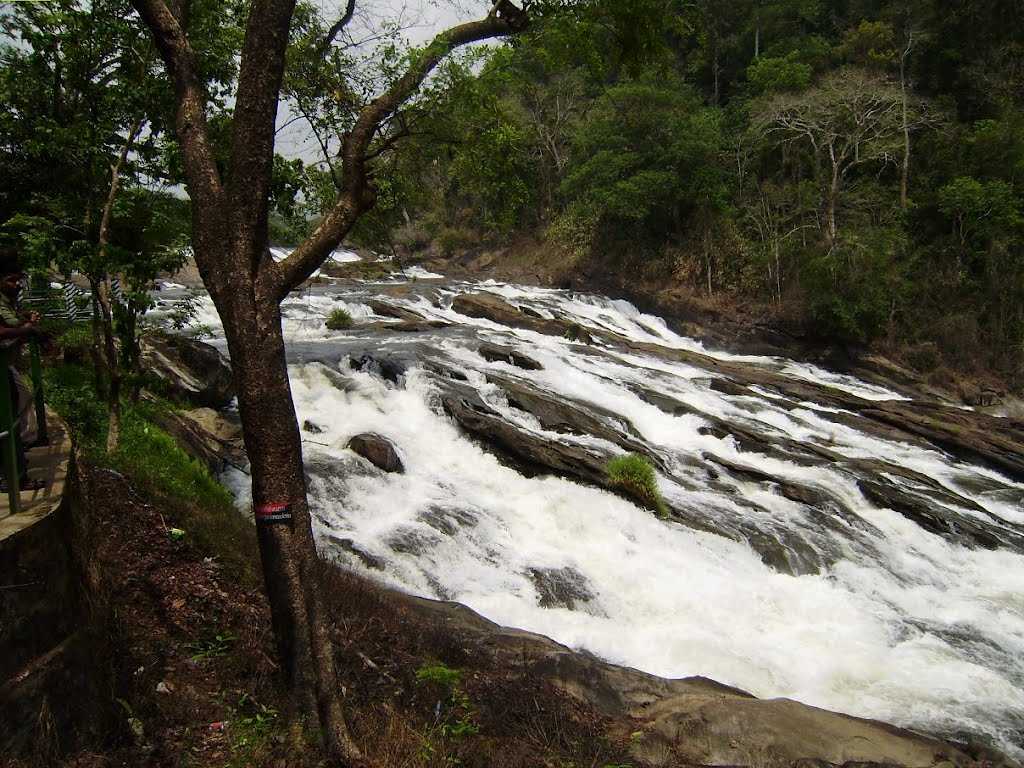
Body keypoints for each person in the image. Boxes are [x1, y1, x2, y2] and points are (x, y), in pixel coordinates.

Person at [0, 247, 45, 492]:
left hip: (5, 364)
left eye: (18, 280)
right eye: (11, 280)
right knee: (8, 418)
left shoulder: (7, 300)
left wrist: (25, 319)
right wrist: (25, 330)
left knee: (20, 402)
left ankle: (16, 462)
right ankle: (11, 474)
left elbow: (10, 320)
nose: (16, 284)